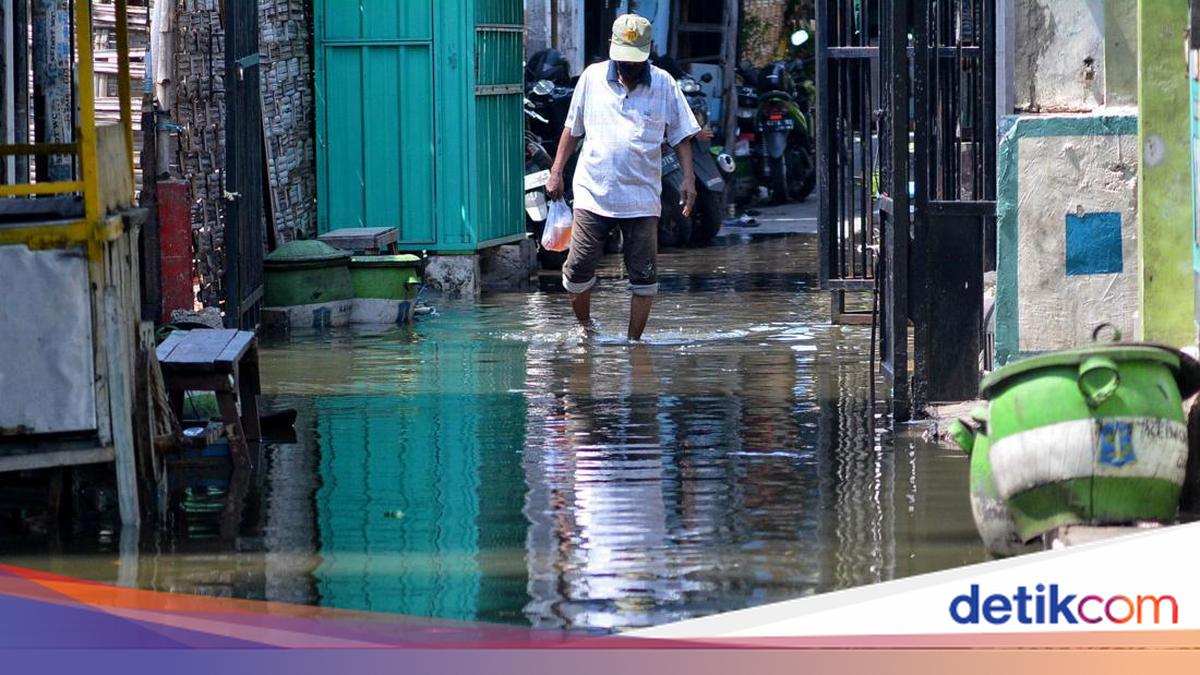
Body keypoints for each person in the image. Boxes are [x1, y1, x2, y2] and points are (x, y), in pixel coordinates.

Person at [545, 14, 701, 340]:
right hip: (593, 191)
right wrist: (556, 172)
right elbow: (572, 130)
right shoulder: (590, 78)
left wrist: (689, 181)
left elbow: (683, 137)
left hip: (641, 197)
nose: (629, 66)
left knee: (644, 275)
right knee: (577, 269)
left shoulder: (664, 84)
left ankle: (634, 344)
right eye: (623, 59)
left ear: (649, 52)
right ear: (611, 50)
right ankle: (586, 327)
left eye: (636, 60)